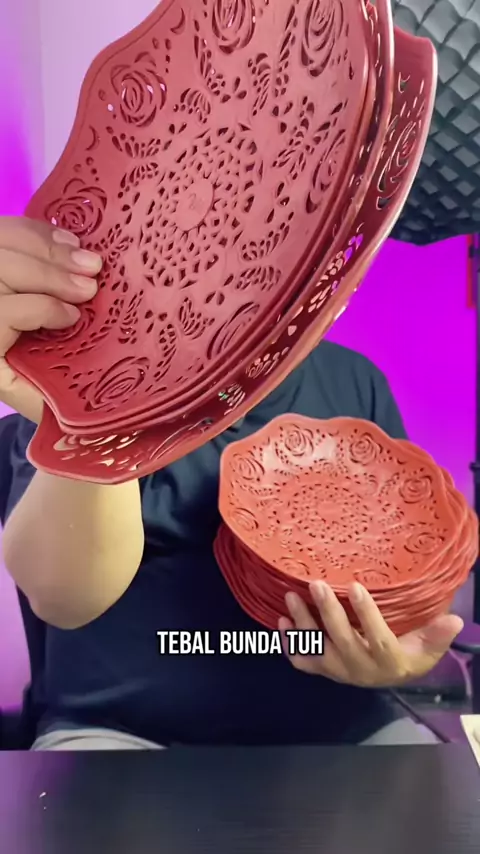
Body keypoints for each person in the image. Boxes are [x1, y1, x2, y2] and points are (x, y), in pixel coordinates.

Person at [0, 216, 463, 751]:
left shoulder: (355, 381)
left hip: (346, 730)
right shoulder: (86, 385)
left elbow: (398, 590)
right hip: (122, 735)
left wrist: (398, 656)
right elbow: (61, 595)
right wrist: (101, 429)